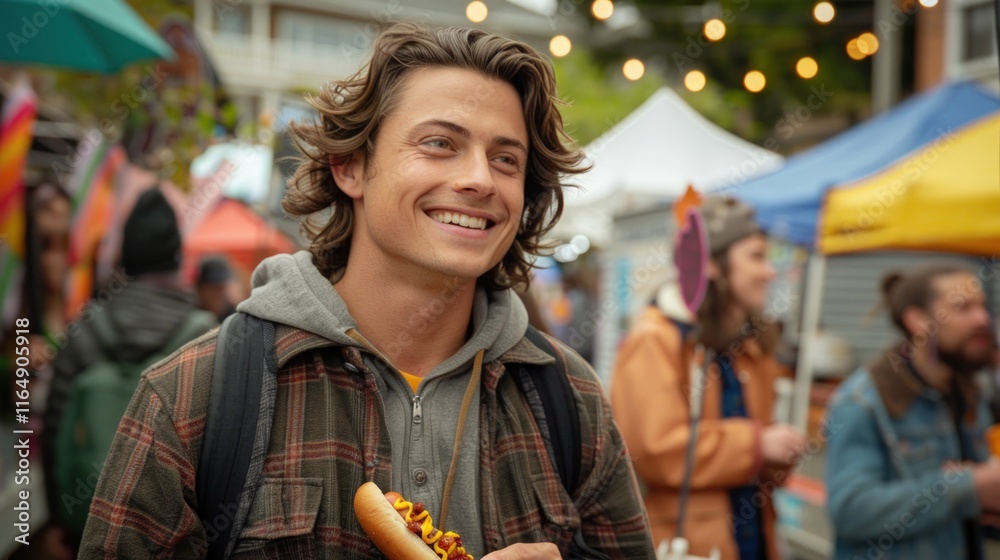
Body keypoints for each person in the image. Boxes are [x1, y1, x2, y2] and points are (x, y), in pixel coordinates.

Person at [79, 23, 654, 559]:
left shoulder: (569, 397)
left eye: (506, 159)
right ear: (350, 167)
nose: (480, 178)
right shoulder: (196, 395)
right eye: (439, 144)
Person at [611, 196, 807, 560]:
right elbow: (657, 451)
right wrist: (758, 445)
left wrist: (781, 453)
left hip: (752, 538)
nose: (769, 271)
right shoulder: (656, 338)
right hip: (687, 544)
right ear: (713, 265)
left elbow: (761, 461)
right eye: (756, 256)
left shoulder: (751, 345)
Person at [41, 187, 217, 554]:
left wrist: (59, 517)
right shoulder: (205, 335)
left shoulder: (86, 330)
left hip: (87, 527)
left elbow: (54, 428)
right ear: (176, 256)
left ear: (126, 257)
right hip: (177, 536)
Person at [826, 264, 1000, 560]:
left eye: (982, 306)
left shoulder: (968, 390)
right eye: (963, 307)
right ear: (918, 321)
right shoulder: (863, 402)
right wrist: (968, 488)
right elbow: (850, 511)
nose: (983, 318)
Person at [195, 255, 236, 321]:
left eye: (222, 287)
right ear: (200, 288)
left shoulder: (235, 315)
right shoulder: (191, 317)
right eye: (213, 287)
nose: (219, 293)